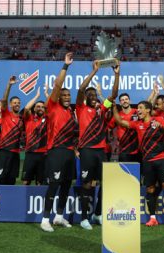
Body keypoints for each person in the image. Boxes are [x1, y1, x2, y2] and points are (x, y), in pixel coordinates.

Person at [113, 101, 164, 228]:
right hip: (147, 161)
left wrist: (161, 126)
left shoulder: (158, 119)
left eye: (140, 108)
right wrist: (114, 108)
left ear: (148, 110)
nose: (137, 110)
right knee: (150, 188)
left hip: (162, 159)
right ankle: (153, 218)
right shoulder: (137, 124)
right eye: (137, 108)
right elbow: (120, 122)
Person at [76, 59, 119, 229]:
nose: (94, 98)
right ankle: (84, 218)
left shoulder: (102, 109)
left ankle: (98, 213)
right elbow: (81, 89)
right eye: (90, 96)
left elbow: (113, 95)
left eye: (95, 95)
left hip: (101, 151)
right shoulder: (80, 108)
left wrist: (117, 74)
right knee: (87, 184)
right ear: (86, 98)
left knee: (104, 183)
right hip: (86, 150)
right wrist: (94, 72)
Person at [40, 53, 75, 232]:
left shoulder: (71, 113)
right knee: (54, 184)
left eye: (69, 94)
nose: (67, 96)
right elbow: (57, 85)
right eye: (64, 95)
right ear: (58, 97)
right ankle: (45, 219)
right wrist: (65, 66)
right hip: (56, 150)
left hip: (69, 152)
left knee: (66, 184)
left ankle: (59, 216)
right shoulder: (52, 106)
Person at [0, 76, 23, 185]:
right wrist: (9, 85)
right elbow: (4, 100)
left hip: (15, 153)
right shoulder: (6, 114)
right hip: (4, 151)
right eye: (14, 102)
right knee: (2, 178)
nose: (17, 104)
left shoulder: (22, 119)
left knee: (12, 179)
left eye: (18, 102)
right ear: (10, 104)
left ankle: (9, 201)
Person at [21, 88, 47, 185]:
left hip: (43, 154)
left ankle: (38, 200)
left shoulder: (48, 119)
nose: (40, 108)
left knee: (40, 181)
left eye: (42, 107)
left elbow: (54, 107)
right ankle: (22, 199)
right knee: (25, 181)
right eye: (38, 106)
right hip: (30, 153)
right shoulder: (29, 118)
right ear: (35, 108)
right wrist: (37, 97)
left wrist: (46, 94)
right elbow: (27, 108)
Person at [111, 93, 139, 162]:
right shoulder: (117, 115)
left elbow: (147, 106)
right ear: (120, 103)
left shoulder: (137, 112)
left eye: (126, 99)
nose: (125, 101)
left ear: (130, 101)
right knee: (125, 172)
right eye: (122, 100)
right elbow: (109, 127)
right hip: (123, 151)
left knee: (137, 172)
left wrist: (154, 94)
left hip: (137, 150)